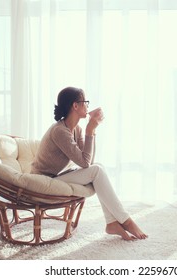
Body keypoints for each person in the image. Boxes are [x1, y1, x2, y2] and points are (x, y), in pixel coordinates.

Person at [31, 86, 148, 240]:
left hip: (57, 176)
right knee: (96, 170)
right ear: (75, 105)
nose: (88, 105)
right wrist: (90, 129)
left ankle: (112, 222)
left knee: (98, 166)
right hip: (43, 181)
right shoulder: (59, 131)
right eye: (85, 102)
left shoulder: (76, 129)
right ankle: (125, 220)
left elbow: (88, 161)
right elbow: (86, 163)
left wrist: (91, 131)